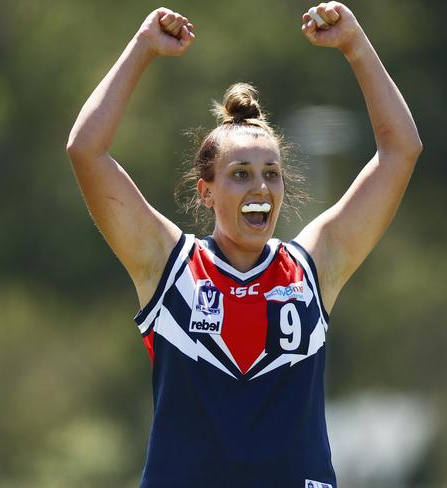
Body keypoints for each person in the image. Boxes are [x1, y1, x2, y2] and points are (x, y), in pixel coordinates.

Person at [66, 2, 422, 487]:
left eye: (271, 174)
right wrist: (143, 47)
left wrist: (356, 46)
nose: (260, 188)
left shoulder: (314, 264)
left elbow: (401, 150)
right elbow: (86, 150)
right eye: (241, 174)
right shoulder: (168, 265)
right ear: (205, 191)